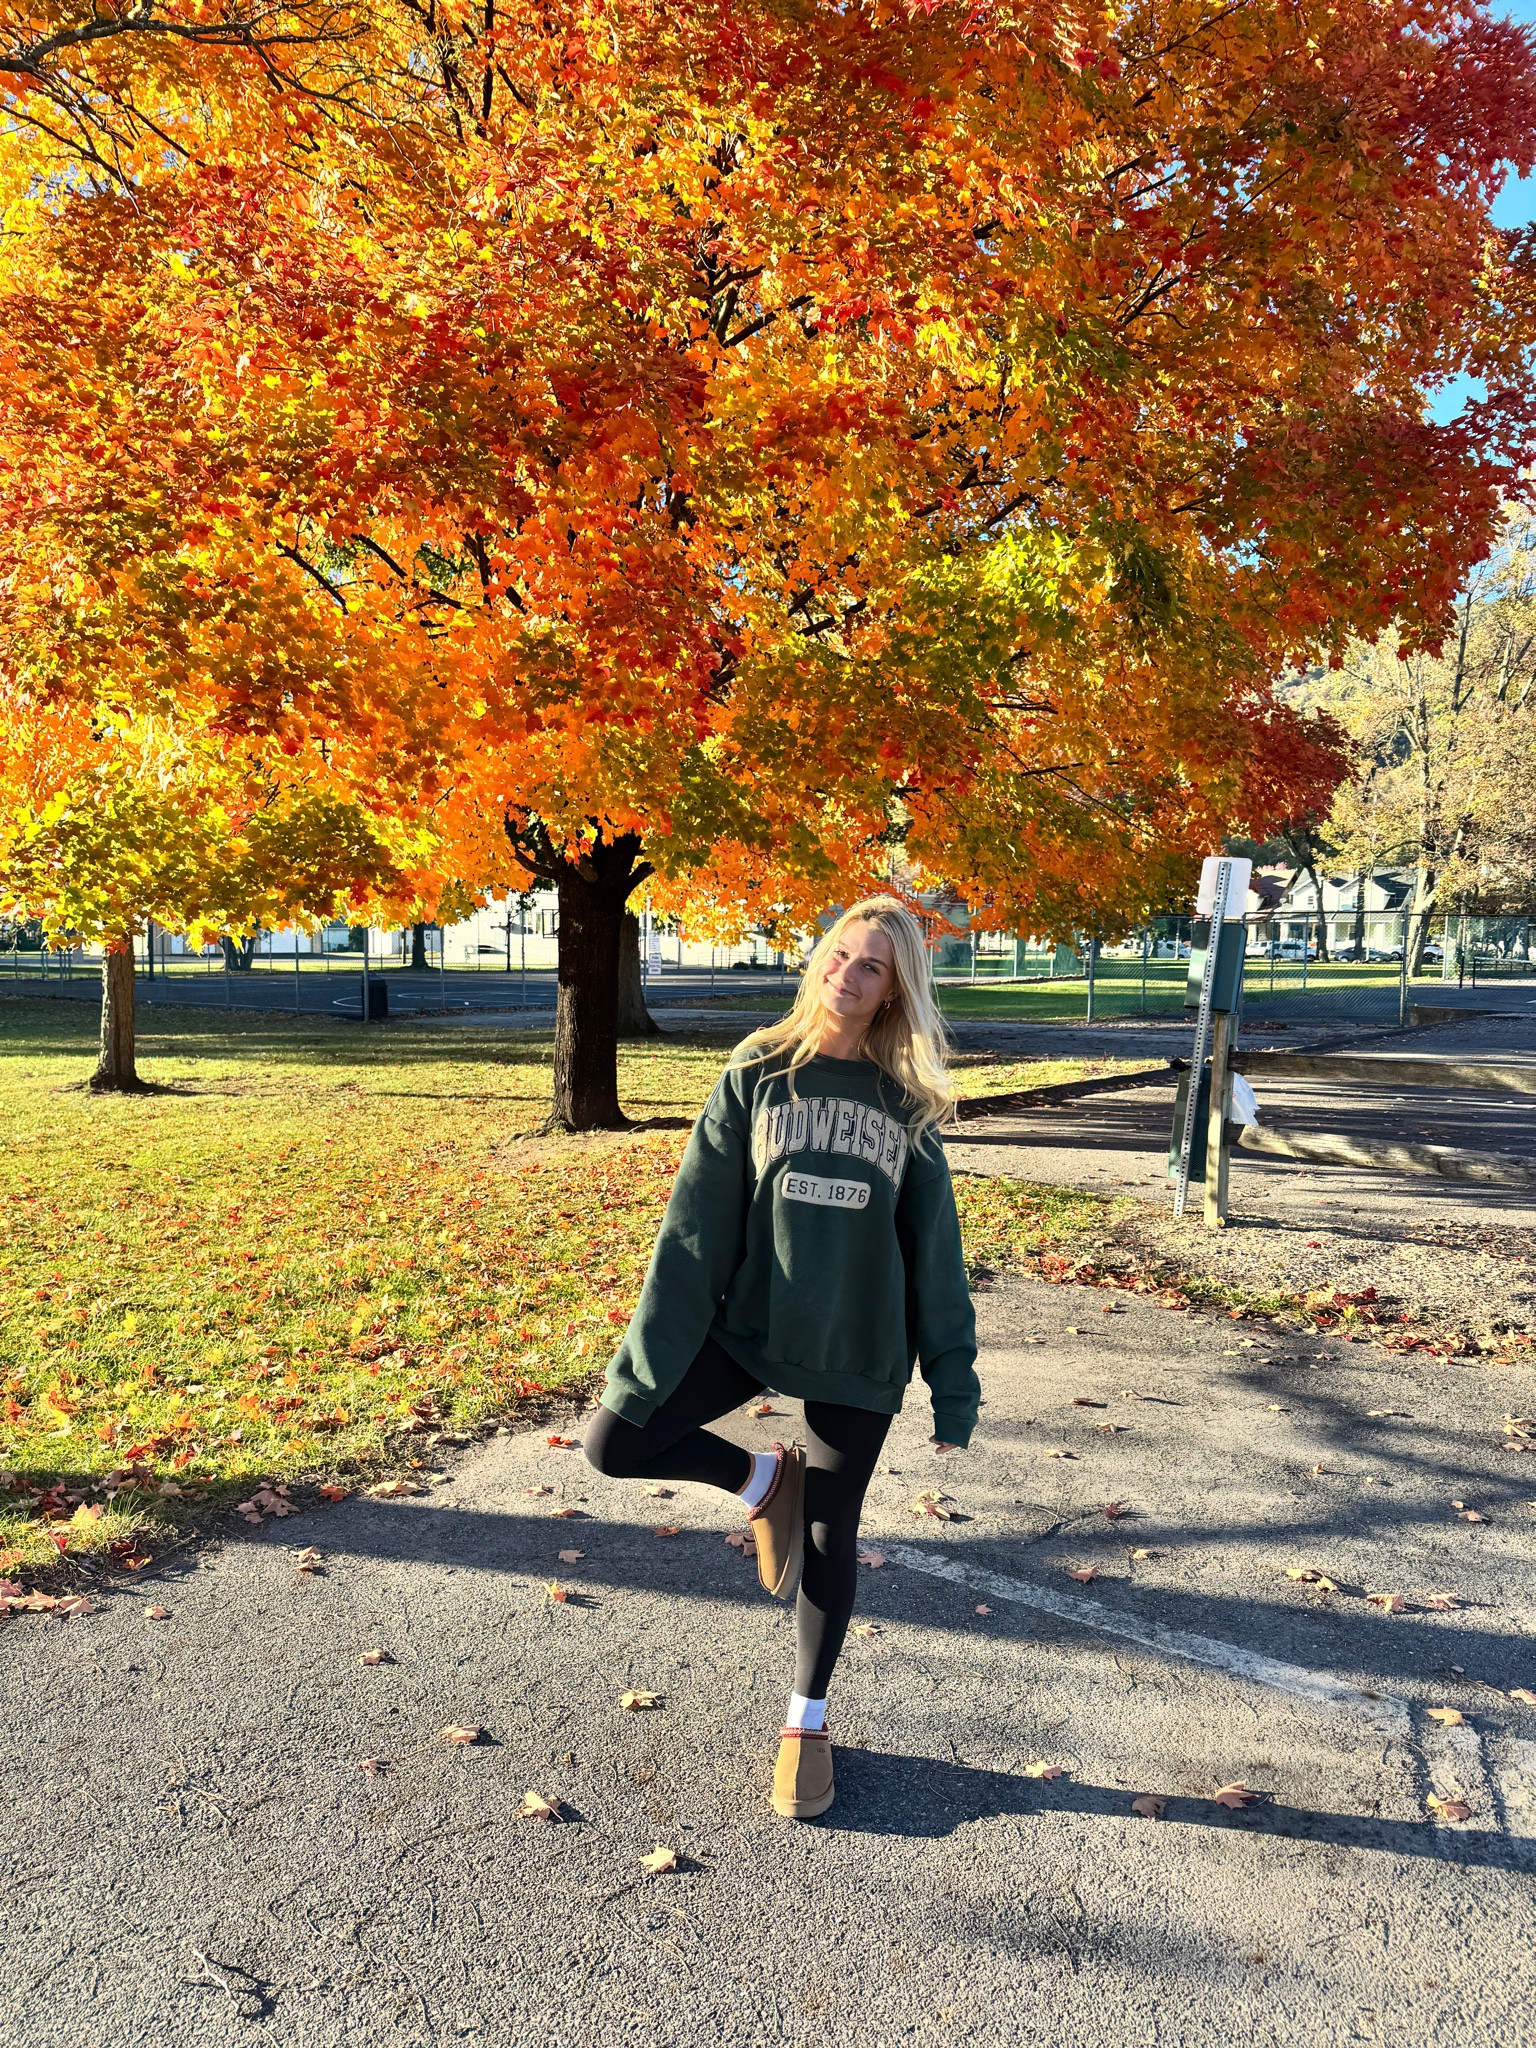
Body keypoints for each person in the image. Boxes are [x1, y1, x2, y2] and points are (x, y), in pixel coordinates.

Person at [586, 895, 979, 1820]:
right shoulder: (758, 1072)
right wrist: (645, 1366)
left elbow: (936, 1253)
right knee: (615, 1443)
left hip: (857, 1347)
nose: (847, 975)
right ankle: (763, 1481)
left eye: (872, 966)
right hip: (751, 1330)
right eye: (839, 955)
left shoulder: (906, 1106)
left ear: (894, 991)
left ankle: (807, 1718)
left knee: (830, 1538)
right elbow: (694, 1232)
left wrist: (952, 1386)